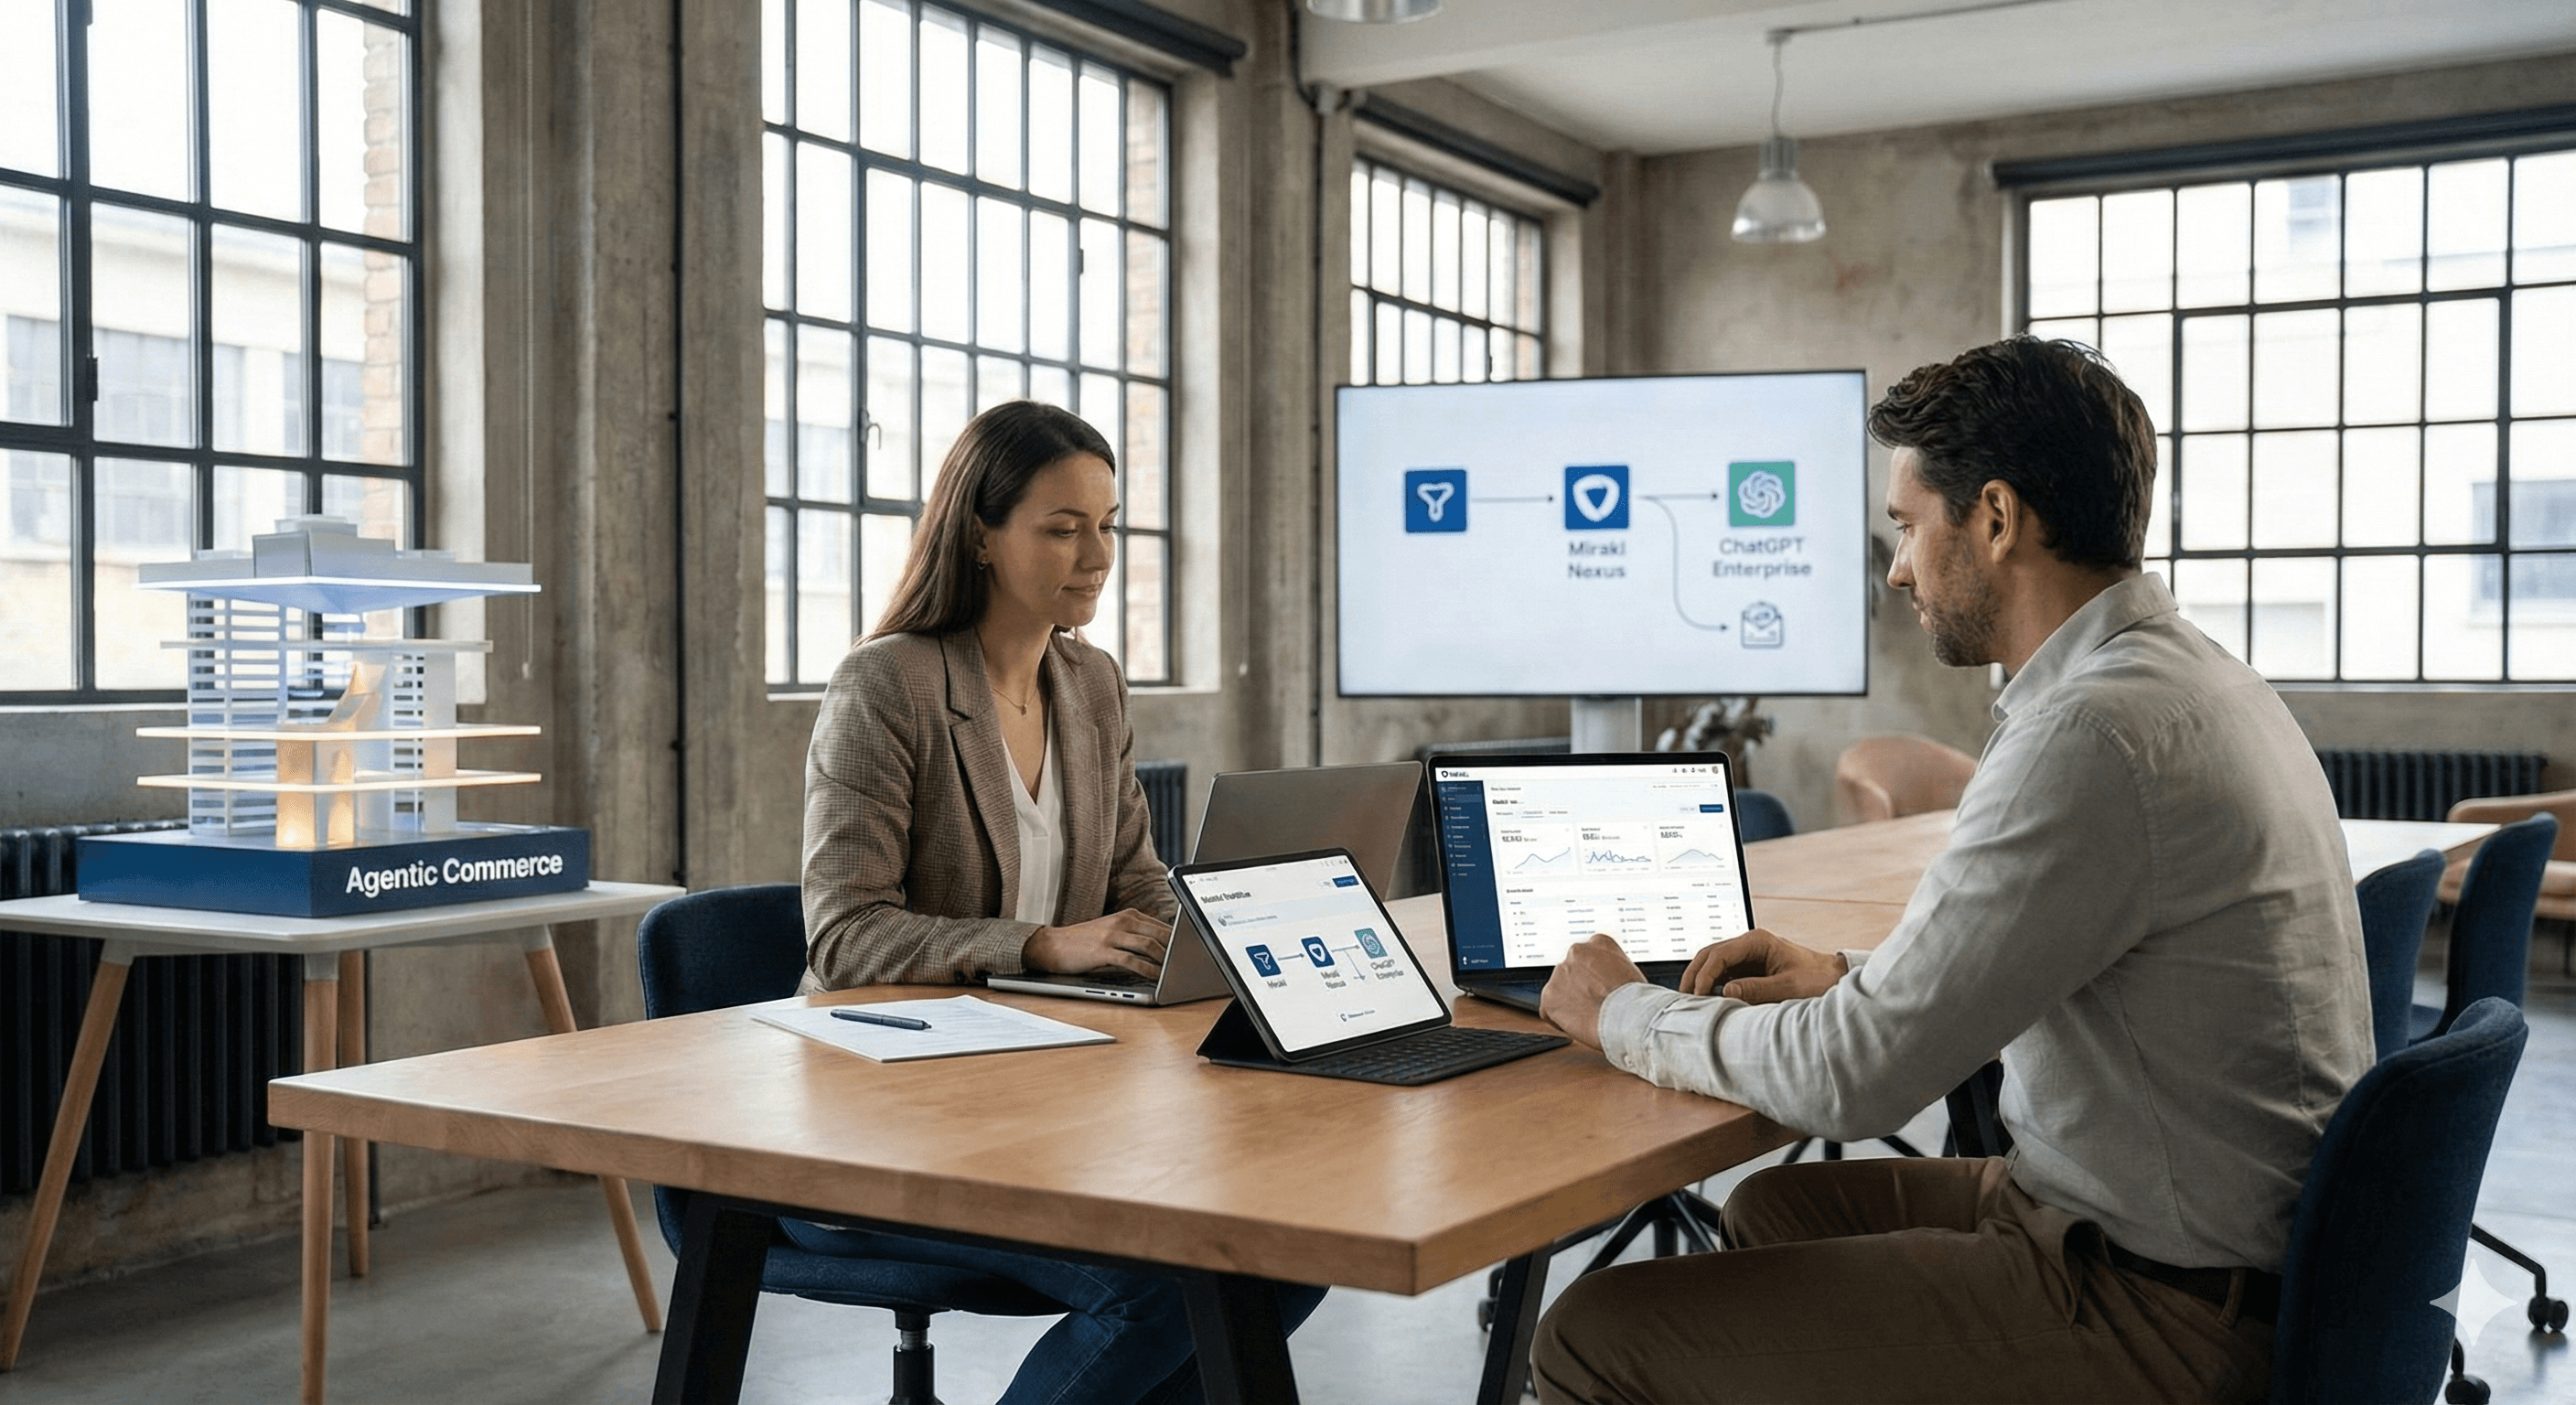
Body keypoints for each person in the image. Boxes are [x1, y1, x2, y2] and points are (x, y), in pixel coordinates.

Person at [1531, 337, 2373, 1404]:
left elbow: (1856, 1079)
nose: (1894, 569)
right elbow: (2054, 946)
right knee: (1769, 1213)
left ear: (1993, 517)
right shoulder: (2193, 679)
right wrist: (1842, 973)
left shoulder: (2090, 735)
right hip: (2202, 1240)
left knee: (1594, 1330)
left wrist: (1623, 1014)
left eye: (1904, 527)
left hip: (2161, 1307)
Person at [799, 400, 1326, 1405]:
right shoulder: (886, 686)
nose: (1097, 553)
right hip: (897, 1114)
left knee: (1293, 1242)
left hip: (1056, 1093)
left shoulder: (1089, 684)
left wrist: (1232, 932)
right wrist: (1040, 945)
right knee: (1166, 1290)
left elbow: (1134, 879)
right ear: (981, 535)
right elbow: (844, 932)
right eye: (1060, 526)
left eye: (1108, 523)